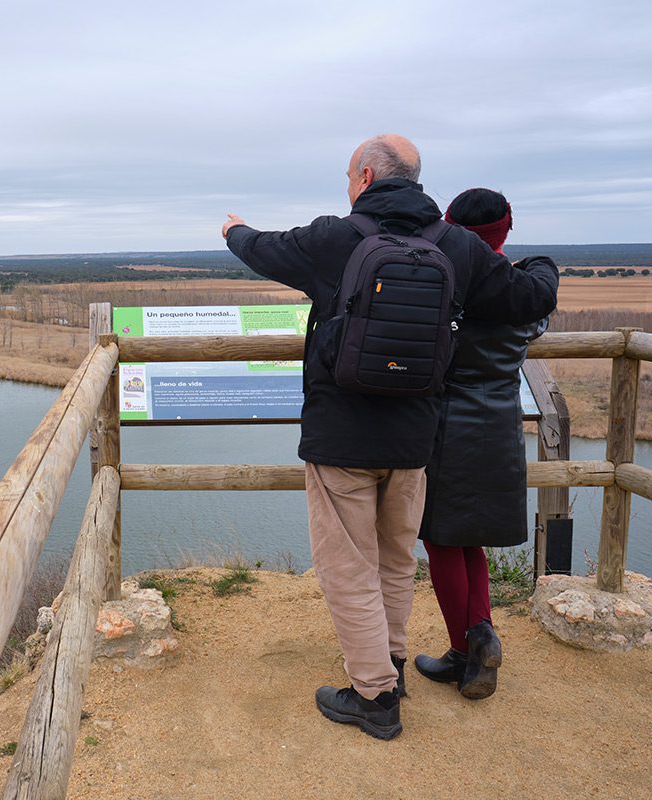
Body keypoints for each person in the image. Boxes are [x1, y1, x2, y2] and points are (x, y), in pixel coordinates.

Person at [221, 135, 558, 740]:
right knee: (397, 559)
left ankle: (374, 698)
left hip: (341, 437)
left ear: (367, 175)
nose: (346, 185)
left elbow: (262, 250)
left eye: (349, 176)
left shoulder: (333, 238)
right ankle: (392, 665)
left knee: (347, 568)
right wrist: (543, 264)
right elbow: (529, 298)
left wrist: (234, 230)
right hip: (415, 438)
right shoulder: (455, 245)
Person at [414, 188, 544, 700]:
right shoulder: (524, 290)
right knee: (471, 538)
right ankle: (478, 637)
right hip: (501, 418)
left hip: (446, 421)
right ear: (505, 230)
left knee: (443, 538)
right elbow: (536, 324)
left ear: (448, 226)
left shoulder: (444, 282)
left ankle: (467, 647)